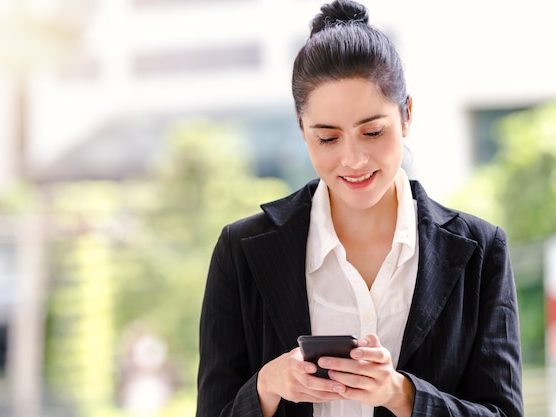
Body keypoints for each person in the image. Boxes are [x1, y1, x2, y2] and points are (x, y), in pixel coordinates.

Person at [196, 0, 524, 416]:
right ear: (302, 130)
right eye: (328, 138)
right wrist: (267, 386)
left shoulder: (480, 250)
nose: (353, 159)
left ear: (406, 115)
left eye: (372, 131)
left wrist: (401, 394)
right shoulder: (242, 249)